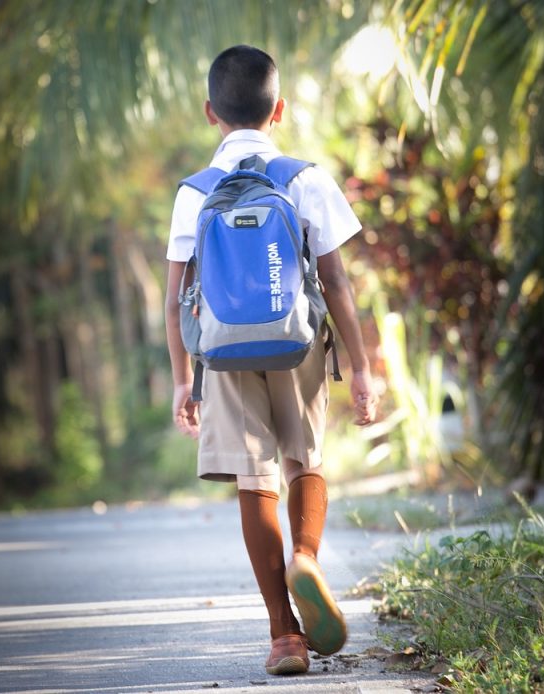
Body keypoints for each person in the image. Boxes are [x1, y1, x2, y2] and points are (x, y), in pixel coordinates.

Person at [164, 45, 379, 676]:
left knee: (253, 479)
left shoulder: (193, 193)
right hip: (297, 343)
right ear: (278, 109)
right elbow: (335, 281)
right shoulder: (304, 178)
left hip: (223, 353)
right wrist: (361, 368)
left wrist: (182, 380)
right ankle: (305, 556)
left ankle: (284, 636)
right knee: (303, 461)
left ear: (211, 112)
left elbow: (176, 298)